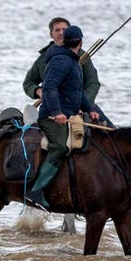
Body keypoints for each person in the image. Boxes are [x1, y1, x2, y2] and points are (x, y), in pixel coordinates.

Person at [24, 25, 100, 208]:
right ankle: (35, 191)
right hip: (50, 118)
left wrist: (90, 109)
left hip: (70, 115)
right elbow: (49, 89)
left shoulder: (73, 61)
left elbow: (78, 92)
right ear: (80, 42)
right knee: (60, 147)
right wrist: (57, 112)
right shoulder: (60, 61)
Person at [23, 16, 101, 106]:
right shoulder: (43, 58)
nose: (61, 33)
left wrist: (84, 104)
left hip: (81, 106)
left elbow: (93, 83)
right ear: (51, 34)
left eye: (64, 30)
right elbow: (28, 83)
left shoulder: (82, 55)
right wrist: (39, 91)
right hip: (52, 108)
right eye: (57, 30)